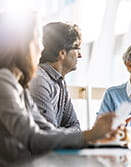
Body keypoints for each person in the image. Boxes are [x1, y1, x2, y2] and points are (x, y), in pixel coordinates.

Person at [0, 12, 115, 164]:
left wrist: (93, 135)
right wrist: (91, 135)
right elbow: (33, 138)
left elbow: (46, 130)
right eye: (37, 39)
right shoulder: (4, 82)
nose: (41, 48)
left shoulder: (19, 84)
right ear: (23, 44)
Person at [29, 22, 82, 131]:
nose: (80, 55)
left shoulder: (60, 81)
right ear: (62, 53)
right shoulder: (39, 80)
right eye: (76, 48)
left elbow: (75, 125)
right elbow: (49, 134)